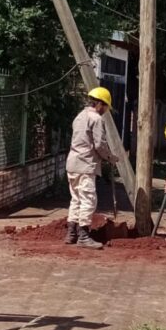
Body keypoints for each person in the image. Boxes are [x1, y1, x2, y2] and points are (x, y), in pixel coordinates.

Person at [65, 87, 118, 250]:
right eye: (106, 107)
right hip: (86, 165)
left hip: (72, 164)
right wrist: (111, 157)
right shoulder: (96, 119)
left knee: (76, 199)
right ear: (100, 104)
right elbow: (99, 145)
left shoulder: (79, 117)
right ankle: (83, 236)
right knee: (88, 200)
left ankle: (71, 233)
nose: (106, 111)